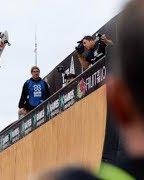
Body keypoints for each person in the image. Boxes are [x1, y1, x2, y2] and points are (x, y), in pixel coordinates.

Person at [41, 0, 144, 179]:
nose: (84, 45)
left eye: (84, 42)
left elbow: (113, 50)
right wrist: (79, 52)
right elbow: (85, 64)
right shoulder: (87, 52)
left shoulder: (100, 43)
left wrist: (104, 42)